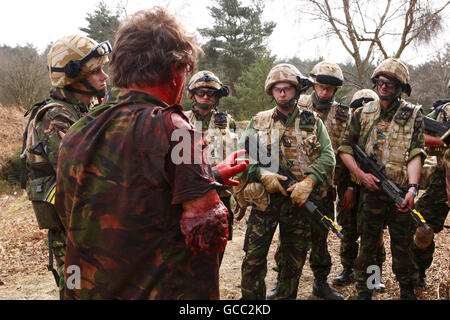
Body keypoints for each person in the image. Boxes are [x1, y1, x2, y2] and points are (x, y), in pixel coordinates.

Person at [54, 7, 247, 300]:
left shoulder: (79, 130)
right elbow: (207, 230)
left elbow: (120, 197)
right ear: (174, 71)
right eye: (185, 71)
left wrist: (213, 174)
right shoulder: (175, 127)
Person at [20, 35, 110, 299]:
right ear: (72, 77)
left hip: (90, 227)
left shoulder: (80, 112)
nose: (104, 76)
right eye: (95, 71)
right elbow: (83, 172)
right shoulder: (55, 118)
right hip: (73, 235)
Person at [238, 63, 335, 300]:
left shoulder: (313, 122)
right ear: (271, 91)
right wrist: (262, 174)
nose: (282, 93)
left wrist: (309, 182)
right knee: (253, 259)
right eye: (277, 89)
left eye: (288, 89)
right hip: (265, 201)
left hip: (297, 201)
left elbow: (328, 156)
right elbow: (240, 155)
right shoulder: (259, 121)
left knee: (293, 261)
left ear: (296, 90)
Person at [338, 58, 425, 300]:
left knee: (402, 245)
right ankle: (366, 289)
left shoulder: (413, 114)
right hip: (371, 191)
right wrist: (360, 175)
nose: (384, 86)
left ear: (400, 87)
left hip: (399, 190)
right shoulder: (362, 112)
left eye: (390, 83)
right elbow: (345, 149)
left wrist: (412, 188)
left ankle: (407, 290)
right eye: (380, 81)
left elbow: (416, 153)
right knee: (369, 244)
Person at [267, 61, 347, 300]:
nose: (324, 92)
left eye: (329, 89)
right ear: (312, 84)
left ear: (335, 90)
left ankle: (320, 282)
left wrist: (347, 186)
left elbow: (346, 150)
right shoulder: (295, 104)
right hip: (291, 183)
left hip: (323, 185)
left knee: (320, 236)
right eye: (320, 86)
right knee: (287, 238)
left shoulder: (343, 114)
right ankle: (282, 281)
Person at [332, 89, 386, 291]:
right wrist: (350, 188)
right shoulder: (347, 131)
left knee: (373, 235)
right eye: (357, 107)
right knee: (348, 230)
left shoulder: (379, 133)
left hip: (371, 191)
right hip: (347, 187)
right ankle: (348, 270)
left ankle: (374, 276)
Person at [184, 71, 238, 264]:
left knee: (217, 246)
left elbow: (237, 154)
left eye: (211, 93)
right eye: (201, 93)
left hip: (220, 194)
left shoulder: (228, 122)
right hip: (189, 195)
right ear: (192, 95)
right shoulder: (181, 119)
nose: (206, 97)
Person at [412, 92, 450, 288]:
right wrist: (443, 141)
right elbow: (419, 135)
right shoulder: (443, 112)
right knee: (422, 226)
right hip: (443, 178)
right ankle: (419, 271)